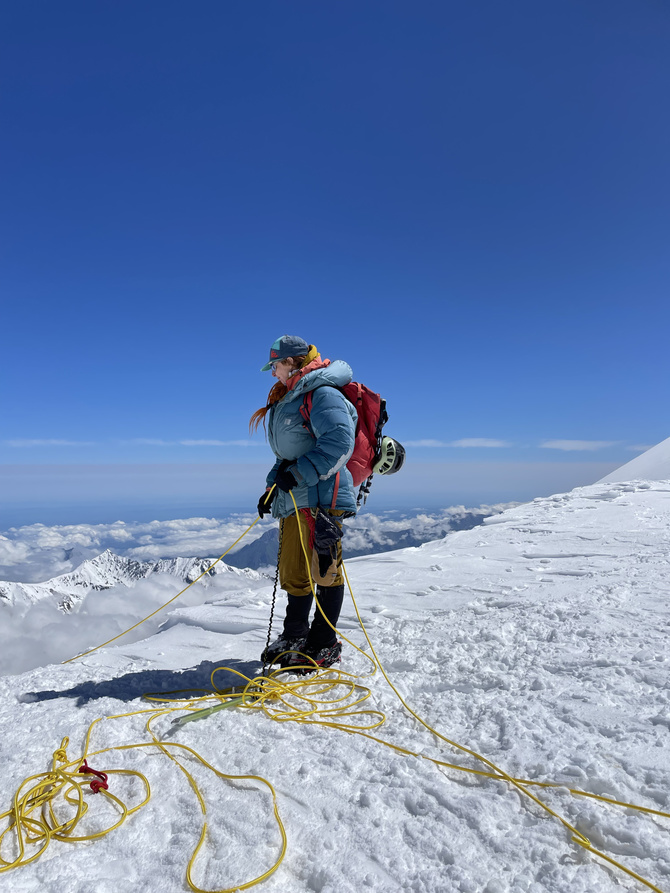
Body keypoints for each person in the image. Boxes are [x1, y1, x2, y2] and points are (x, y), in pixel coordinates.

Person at [250, 335, 358, 670]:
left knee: (324, 571)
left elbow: (340, 442)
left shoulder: (321, 393)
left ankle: (324, 643)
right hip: (296, 498)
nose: (273, 373)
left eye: (276, 365)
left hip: (322, 499)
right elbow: (289, 456)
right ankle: (295, 636)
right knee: (295, 571)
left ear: (293, 362)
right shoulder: (292, 397)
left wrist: (297, 476)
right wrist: (272, 489)